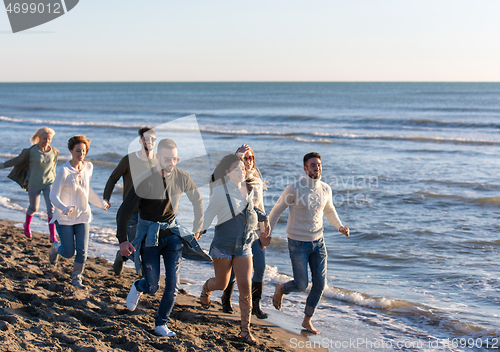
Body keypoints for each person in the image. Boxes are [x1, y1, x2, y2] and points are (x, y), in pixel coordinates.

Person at [116, 138, 204, 337]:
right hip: (149, 237)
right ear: (157, 158)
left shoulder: (182, 176)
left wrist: (199, 226)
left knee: (173, 285)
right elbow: (123, 212)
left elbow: (197, 199)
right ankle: (139, 285)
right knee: (152, 286)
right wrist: (122, 239)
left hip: (172, 235)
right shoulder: (144, 180)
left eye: (174, 159)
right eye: (166, 159)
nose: (171, 163)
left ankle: (160, 324)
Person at [268, 152, 350, 335]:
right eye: (313, 165)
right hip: (297, 243)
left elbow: (329, 210)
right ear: (305, 169)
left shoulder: (326, 189)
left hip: (318, 243)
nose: (317, 168)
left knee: (320, 284)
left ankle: (307, 320)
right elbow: (276, 211)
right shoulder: (294, 189)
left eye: (319, 165)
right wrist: (267, 233)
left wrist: (340, 226)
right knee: (301, 284)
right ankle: (281, 288)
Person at [199, 153, 270, 344]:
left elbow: (254, 208)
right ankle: (206, 288)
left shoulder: (250, 188)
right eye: (237, 169)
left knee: (245, 288)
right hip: (223, 245)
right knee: (222, 284)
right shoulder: (220, 191)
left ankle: (245, 331)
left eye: (243, 169)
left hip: (244, 245)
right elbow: (210, 213)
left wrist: (265, 221)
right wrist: (200, 229)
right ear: (228, 172)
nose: (242, 171)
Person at [49, 135, 110, 289]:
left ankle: (77, 279)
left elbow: (87, 191)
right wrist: (64, 208)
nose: (81, 154)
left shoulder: (88, 167)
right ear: (71, 150)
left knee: (82, 251)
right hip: (65, 218)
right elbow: (53, 195)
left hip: (83, 215)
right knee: (69, 252)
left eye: (83, 151)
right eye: (78, 151)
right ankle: (56, 247)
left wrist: (101, 203)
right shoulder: (63, 171)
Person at [221, 144, 270, 320]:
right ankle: (226, 299)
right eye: (245, 158)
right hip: (237, 233)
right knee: (234, 271)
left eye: (251, 158)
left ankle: (256, 305)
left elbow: (261, 208)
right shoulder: (233, 180)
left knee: (261, 267)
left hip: (255, 232)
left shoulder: (257, 181)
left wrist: (265, 232)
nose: (248, 161)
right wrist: (238, 155)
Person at [103, 127, 158, 276]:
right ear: (141, 141)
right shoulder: (129, 159)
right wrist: (106, 198)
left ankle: (124, 257)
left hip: (150, 214)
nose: (150, 141)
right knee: (134, 248)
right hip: (132, 213)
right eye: (147, 139)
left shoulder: (158, 161)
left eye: (153, 138)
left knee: (148, 247)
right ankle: (139, 270)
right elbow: (113, 178)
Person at [0, 127, 59, 242]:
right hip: (34, 183)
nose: (47, 141)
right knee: (34, 208)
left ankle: (52, 235)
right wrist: (2, 165)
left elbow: (54, 169)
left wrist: (58, 183)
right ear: (39, 138)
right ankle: (26, 225)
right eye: (44, 139)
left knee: (51, 210)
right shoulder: (30, 151)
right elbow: (16, 161)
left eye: (49, 139)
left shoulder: (55, 152)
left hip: (49, 183)